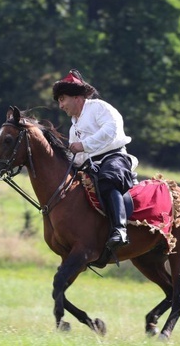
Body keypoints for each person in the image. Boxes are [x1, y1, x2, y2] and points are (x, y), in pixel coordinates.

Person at [53, 69, 137, 252]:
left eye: (62, 99)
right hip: (90, 166)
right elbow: (78, 157)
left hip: (114, 157)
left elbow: (111, 131)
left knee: (108, 180)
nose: (60, 106)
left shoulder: (99, 107)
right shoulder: (73, 127)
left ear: (76, 97)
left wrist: (83, 145)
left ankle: (120, 230)